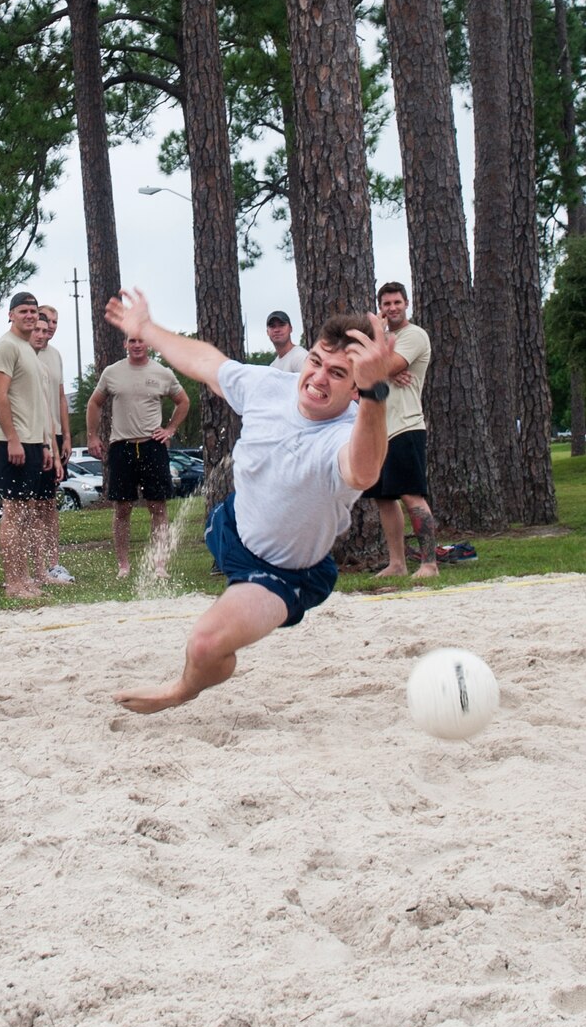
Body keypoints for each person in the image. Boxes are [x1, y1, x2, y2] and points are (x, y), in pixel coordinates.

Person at [101, 288, 392, 714]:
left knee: (204, 645)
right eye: (315, 362)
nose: (317, 379)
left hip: (283, 573)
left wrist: (376, 394)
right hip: (230, 528)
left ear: (354, 390)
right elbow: (206, 363)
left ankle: (183, 689)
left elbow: (364, 471)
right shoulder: (269, 386)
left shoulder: (349, 430)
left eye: (337, 373)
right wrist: (147, 329)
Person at [87, 333, 188, 579]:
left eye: (141, 340)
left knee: (158, 507)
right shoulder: (112, 372)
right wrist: (92, 436)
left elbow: (183, 401)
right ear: (125, 344)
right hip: (122, 447)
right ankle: (123, 565)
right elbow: (94, 403)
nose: (137, 345)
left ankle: (159, 564)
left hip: (153, 446)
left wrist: (170, 429)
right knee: (122, 508)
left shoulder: (162, 372)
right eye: (132, 341)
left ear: (148, 344)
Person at [364, 281, 440, 579]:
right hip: (378, 431)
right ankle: (397, 563)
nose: (392, 308)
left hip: (406, 427)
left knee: (412, 496)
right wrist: (379, 364)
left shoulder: (414, 335)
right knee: (385, 498)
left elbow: (382, 367)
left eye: (397, 302)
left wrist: (381, 366)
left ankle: (430, 563)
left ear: (406, 303)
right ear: (380, 308)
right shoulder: (379, 340)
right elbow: (362, 372)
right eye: (386, 304)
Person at [0, 291, 58, 598]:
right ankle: (13, 582)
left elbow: (38, 404)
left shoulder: (29, 349)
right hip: (10, 441)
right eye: (24, 311)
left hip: (32, 442)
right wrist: (13, 439)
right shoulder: (5, 346)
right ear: (11, 314)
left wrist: (43, 445)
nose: (30, 316)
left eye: (33, 311)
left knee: (29, 511)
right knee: (14, 511)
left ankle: (27, 577)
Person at [31, 304, 74, 585]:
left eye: (55, 323)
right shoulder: (25, 352)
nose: (50, 329)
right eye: (45, 324)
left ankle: (53, 563)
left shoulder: (55, 355)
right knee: (30, 504)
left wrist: (67, 435)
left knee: (48, 503)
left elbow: (60, 397)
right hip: (33, 434)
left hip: (55, 434)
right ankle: (35, 567)